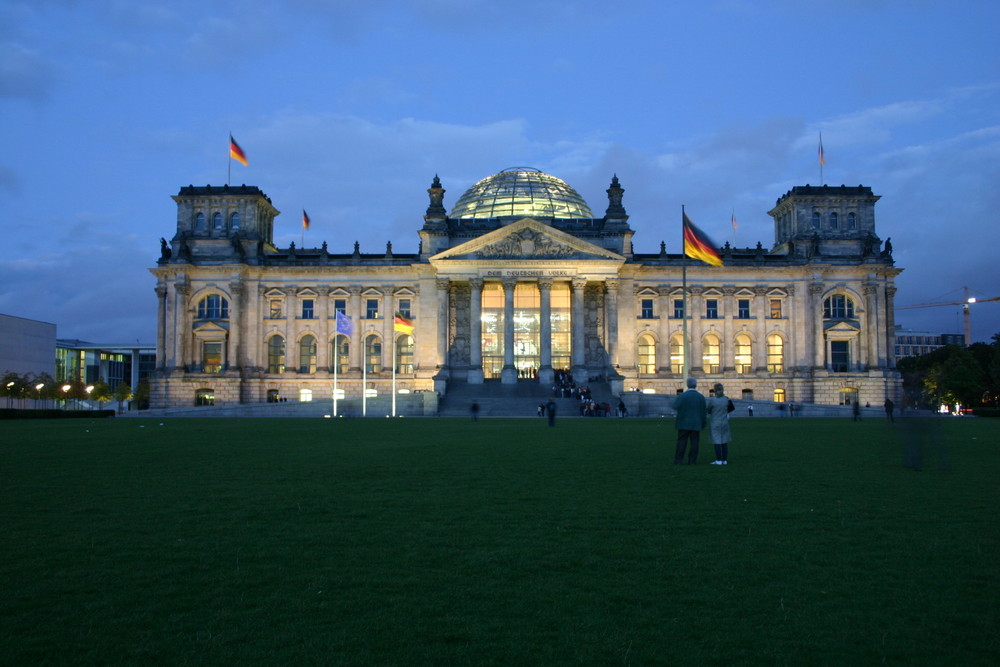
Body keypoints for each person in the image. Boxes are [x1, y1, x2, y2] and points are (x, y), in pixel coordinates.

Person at [673, 378, 706, 465]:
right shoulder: (700, 397)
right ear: (696, 385)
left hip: (683, 422)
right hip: (696, 423)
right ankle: (692, 461)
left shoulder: (682, 396)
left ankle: (678, 460)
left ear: (687, 385)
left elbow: (675, 406)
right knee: (694, 443)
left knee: (681, 442)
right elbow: (703, 412)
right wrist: (703, 423)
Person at [706, 383, 733, 465]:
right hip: (724, 422)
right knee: (724, 441)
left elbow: (708, 410)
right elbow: (731, 408)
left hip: (715, 422)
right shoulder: (726, 399)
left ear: (715, 390)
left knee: (717, 442)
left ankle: (718, 460)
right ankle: (724, 460)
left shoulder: (713, 400)